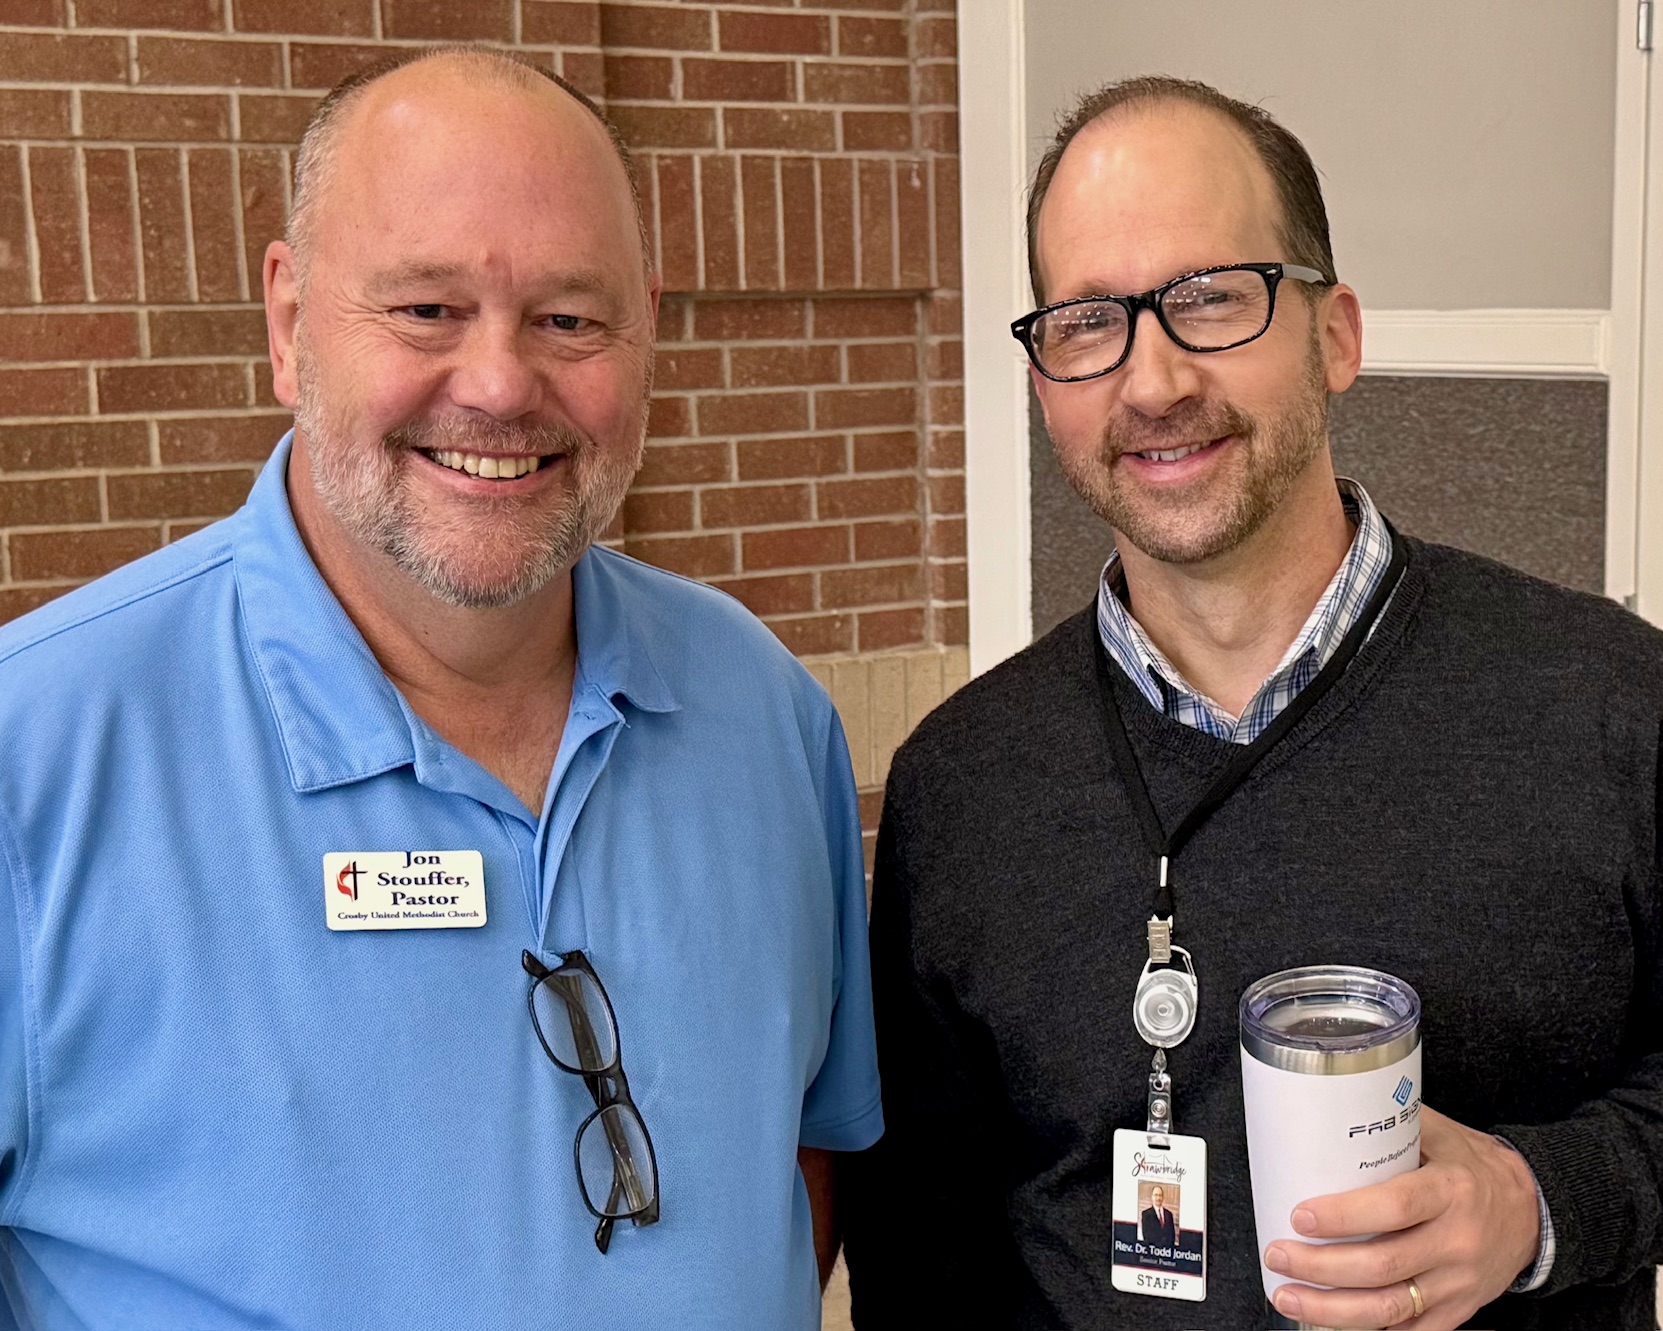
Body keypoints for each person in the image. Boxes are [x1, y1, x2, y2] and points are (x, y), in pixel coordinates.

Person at [0, 47, 880, 1330]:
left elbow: (794, 1168)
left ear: (645, 335)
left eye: (569, 319)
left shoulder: (763, 715)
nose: (499, 384)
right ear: (291, 324)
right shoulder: (39, 759)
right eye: (425, 309)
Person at [842, 75, 1663, 1330]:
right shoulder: (962, 787)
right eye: (1084, 322)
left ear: (1334, 334)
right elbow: (925, 1247)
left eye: (1211, 297)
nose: (1151, 378)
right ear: (1042, 377)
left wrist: (1543, 1198)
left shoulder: (1608, 703)